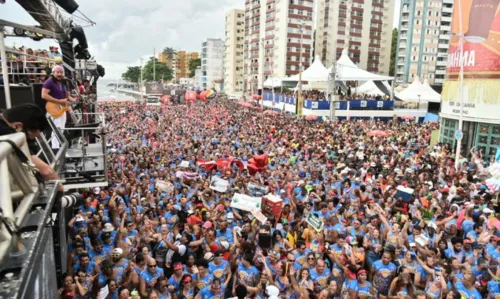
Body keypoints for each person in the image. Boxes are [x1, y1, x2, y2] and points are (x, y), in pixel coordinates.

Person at [0, 103, 61, 184]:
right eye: (28, 138)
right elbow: (44, 171)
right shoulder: (6, 132)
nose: (29, 142)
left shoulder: (5, 117)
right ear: (17, 126)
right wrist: (58, 186)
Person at [41, 65, 75, 149]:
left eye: (61, 72)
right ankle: (55, 149)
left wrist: (74, 100)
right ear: (53, 73)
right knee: (57, 129)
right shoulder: (49, 82)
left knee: (61, 129)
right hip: (54, 108)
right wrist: (59, 101)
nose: (59, 74)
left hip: (62, 108)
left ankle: (59, 146)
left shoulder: (63, 82)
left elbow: (67, 96)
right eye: (57, 72)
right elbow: (44, 95)